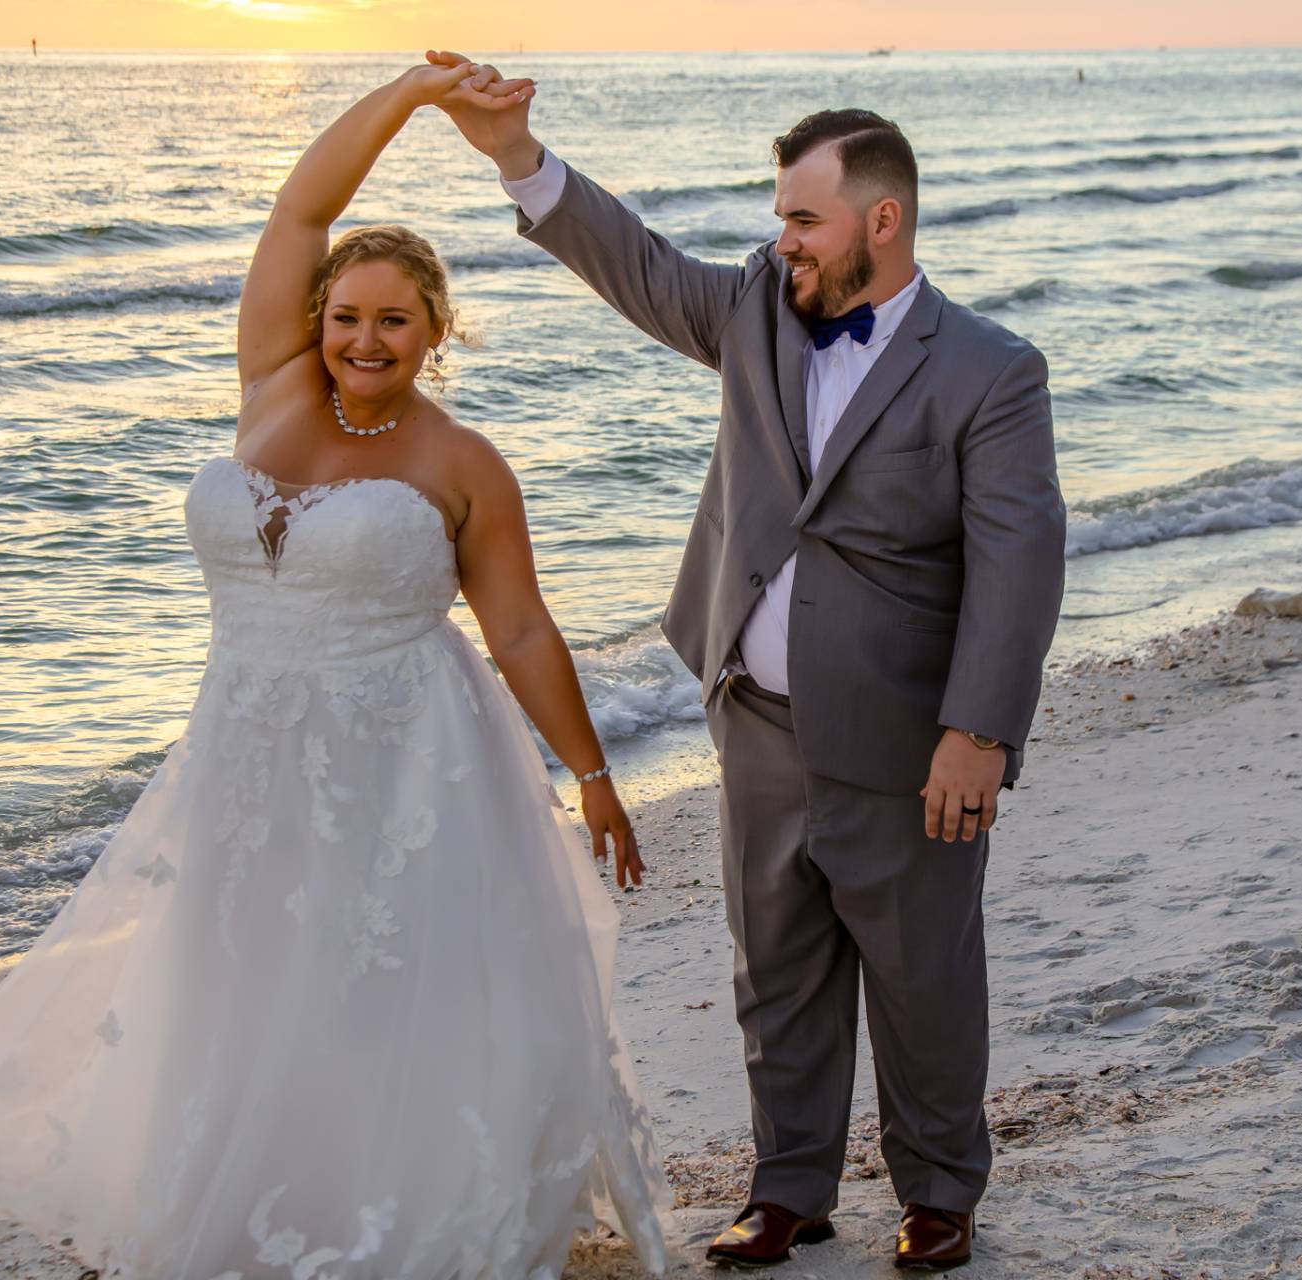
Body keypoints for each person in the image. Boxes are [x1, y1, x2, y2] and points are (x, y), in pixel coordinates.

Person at [0, 61, 672, 1279]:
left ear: (434, 333)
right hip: (245, 754)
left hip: (408, 762)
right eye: (346, 314)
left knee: (380, 984)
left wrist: (597, 773)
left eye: (393, 320)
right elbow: (301, 211)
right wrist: (408, 98)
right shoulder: (271, 388)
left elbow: (518, 631)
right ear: (316, 319)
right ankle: (257, 1195)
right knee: (242, 978)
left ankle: (397, 1203)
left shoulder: (465, 462)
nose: (363, 338)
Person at [430, 53, 1066, 1272]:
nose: (782, 242)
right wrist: (514, 152)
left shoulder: (993, 369)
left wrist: (978, 731)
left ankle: (938, 1189)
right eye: (778, 217)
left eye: (802, 218)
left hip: (910, 735)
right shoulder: (757, 312)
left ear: (882, 220)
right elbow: (638, 263)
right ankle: (791, 1188)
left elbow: (1019, 564)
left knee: (922, 976)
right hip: (759, 721)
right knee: (774, 968)